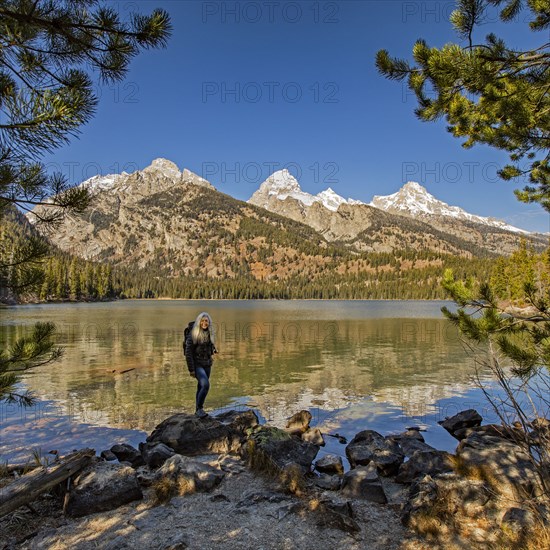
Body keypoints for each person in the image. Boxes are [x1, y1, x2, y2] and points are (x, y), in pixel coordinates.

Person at [184, 312, 217, 418]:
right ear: (199, 322)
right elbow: (188, 353)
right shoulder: (193, 334)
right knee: (205, 385)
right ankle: (200, 408)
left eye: (206, 321)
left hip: (207, 364)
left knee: (201, 386)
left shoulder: (209, 333)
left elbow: (209, 347)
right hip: (197, 364)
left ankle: (197, 410)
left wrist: (212, 354)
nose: (204, 323)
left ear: (209, 322)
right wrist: (191, 370)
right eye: (202, 321)